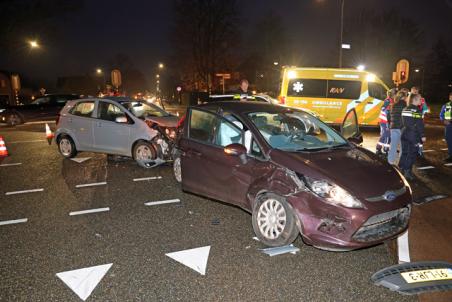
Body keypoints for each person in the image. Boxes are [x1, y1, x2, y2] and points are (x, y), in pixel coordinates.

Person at [399, 93, 426, 180]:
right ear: (415, 100)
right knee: (412, 153)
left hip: (404, 133)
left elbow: (402, 122)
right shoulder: (416, 110)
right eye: (419, 99)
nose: (421, 101)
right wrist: (422, 135)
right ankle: (407, 172)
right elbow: (419, 124)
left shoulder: (405, 109)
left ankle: (401, 169)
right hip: (413, 135)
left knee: (405, 152)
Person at [387, 90, 408, 165]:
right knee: (403, 146)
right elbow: (405, 117)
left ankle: (390, 162)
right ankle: (401, 163)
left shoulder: (393, 105)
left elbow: (388, 116)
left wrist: (390, 124)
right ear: (404, 97)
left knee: (393, 146)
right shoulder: (405, 105)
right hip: (401, 128)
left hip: (393, 127)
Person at [376, 89, 396, 156]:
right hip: (385, 122)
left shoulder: (391, 100)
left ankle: (378, 149)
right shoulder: (388, 101)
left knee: (384, 136)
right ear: (394, 95)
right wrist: (387, 124)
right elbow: (383, 109)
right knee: (388, 136)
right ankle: (385, 150)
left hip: (385, 121)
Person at [439, 92, 452, 162]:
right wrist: (443, 120)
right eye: (451, 96)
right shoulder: (446, 106)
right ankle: (451, 156)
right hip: (449, 126)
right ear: (449, 97)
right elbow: (441, 115)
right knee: (449, 140)